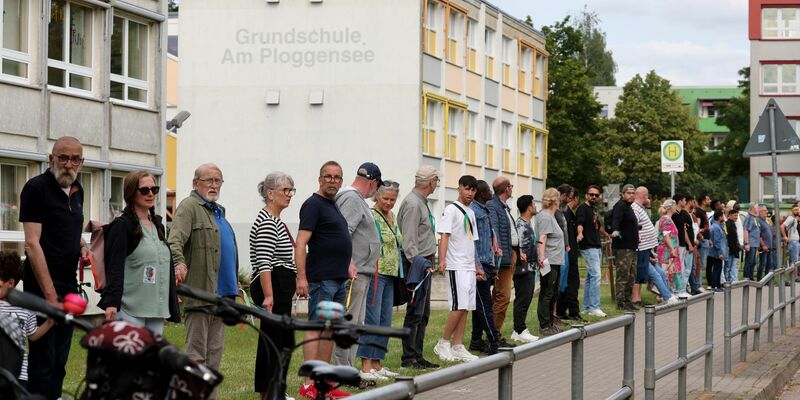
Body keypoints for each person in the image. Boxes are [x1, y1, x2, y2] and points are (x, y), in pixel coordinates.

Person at [19, 136, 91, 399]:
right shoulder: (35, 188)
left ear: (81, 162)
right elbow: (32, 243)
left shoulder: (77, 190)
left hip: (68, 284)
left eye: (75, 159)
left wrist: (82, 244)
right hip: (42, 287)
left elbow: (68, 228)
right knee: (43, 361)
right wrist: (50, 296)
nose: (68, 164)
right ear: (52, 159)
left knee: (60, 359)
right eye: (63, 157)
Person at [168, 163, 239, 400]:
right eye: (209, 180)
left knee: (214, 358)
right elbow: (174, 240)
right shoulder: (189, 207)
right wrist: (179, 262)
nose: (214, 185)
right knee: (197, 357)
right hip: (200, 294)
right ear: (195, 182)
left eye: (218, 180)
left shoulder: (218, 211)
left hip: (222, 297)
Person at [295, 161, 353, 399]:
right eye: (328, 176)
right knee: (316, 328)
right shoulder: (312, 205)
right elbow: (301, 243)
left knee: (329, 331)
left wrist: (348, 263)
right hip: (321, 279)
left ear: (341, 180)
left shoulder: (333, 204)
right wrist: (302, 277)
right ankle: (309, 384)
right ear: (320, 179)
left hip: (339, 279)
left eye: (337, 177)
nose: (332, 180)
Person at [100, 170, 180, 334]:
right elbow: (114, 267)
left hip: (156, 308)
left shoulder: (158, 225)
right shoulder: (121, 226)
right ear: (131, 193)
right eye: (144, 190)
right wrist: (112, 302)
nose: (150, 194)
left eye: (154, 189)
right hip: (129, 308)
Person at [249, 172, 298, 399]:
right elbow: (264, 261)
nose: (289, 195)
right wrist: (269, 295)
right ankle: (270, 393)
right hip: (274, 285)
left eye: (291, 190)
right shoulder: (268, 222)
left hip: (281, 283)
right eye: (285, 190)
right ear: (270, 193)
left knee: (282, 341)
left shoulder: (275, 220)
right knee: (272, 341)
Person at [333, 163, 384, 368]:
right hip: (355, 271)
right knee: (349, 322)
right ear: (372, 182)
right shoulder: (352, 199)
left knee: (356, 323)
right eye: (377, 187)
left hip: (361, 270)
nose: (376, 192)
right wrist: (349, 262)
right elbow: (344, 232)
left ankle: (349, 368)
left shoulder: (355, 198)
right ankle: (343, 368)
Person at [434, 175, 483, 362]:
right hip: (455, 265)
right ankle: (443, 343)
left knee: (466, 307)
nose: (469, 193)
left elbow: (470, 241)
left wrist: (476, 265)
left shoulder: (471, 213)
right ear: (459, 188)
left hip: (468, 266)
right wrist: (443, 260)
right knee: (458, 306)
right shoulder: (451, 210)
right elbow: (444, 236)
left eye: (472, 190)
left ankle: (458, 345)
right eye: (466, 189)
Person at [357, 180, 402, 381]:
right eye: (385, 198)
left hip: (392, 273)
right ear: (377, 196)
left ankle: (377, 363)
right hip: (376, 272)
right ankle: (365, 366)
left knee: (385, 321)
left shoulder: (392, 216)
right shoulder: (371, 215)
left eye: (392, 199)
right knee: (372, 319)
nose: (389, 203)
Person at [397, 165, 440, 370]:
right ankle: (408, 358)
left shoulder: (421, 202)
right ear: (431, 182)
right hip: (418, 264)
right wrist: (418, 265)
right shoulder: (413, 204)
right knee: (415, 312)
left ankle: (417, 355)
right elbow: (409, 240)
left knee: (423, 313)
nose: (436, 185)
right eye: (436, 181)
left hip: (425, 263)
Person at [0, 251, 53, 387]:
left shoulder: (26, 307)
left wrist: (50, 322)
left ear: (10, 283)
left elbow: (32, 335)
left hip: (19, 375)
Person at [468, 180, 508, 354]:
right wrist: (478, 266)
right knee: (484, 304)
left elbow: (490, 237)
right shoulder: (474, 212)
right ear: (481, 193)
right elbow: (473, 242)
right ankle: (493, 341)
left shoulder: (483, 210)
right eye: (488, 191)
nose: (492, 193)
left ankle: (476, 341)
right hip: (480, 264)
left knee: (480, 306)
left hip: (488, 262)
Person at [487, 177, 518, 338]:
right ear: (506, 189)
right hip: (502, 258)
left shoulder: (504, 207)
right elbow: (494, 230)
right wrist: (498, 255)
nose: (512, 189)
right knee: (503, 296)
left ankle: (492, 331)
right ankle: (494, 334)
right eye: (511, 186)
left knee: (498, 296)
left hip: (510, 254)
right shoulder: (493, 206)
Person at [536, 188, 565, 336]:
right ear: (554, 200)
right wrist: (541, 257)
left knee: (552, 293)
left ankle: (550, 322)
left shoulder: (550, 216)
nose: (560, 202)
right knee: (547, 292)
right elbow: (542, 237)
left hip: (555, 260)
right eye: (558, 199)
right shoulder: (546, 217)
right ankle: (544, 324)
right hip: (549, 261)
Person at [512, 195, 540, 341]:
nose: (535, 206)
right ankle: (519, 330)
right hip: (524, 269)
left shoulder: (527, 224)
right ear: (529, 207)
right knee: (523, 299)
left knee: (526, 298)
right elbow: (519, 248)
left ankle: (518, 329)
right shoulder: (521, 226)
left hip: (531, 267)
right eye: (534, 204)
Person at [576, 185, 607, 317]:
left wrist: (607, 235)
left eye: (596, 195)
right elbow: (580, 223)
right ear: (586, 195)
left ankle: (587, 307)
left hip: (596, 246)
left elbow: (597, 225)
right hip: (588, 246)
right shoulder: (583, 208)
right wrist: (580, 234)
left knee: (590, 277)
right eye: (591, 194)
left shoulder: (593, 209)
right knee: (596, 276)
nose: (594, 197)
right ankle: (595, 307)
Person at [610, 184, 639, 311]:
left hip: (631, 247)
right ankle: (621, 302)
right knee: (623, 275)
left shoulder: (629, 207)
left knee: (632, 276)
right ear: (622, 194)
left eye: (633, 193)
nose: (631, 195)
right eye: (629, 193)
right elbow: (615, 219)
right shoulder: (620, 206)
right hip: (623, 248)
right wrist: (615, 229)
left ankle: (628, 301)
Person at [556, 185, 582, 321]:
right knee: (570, 283)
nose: (570, 200)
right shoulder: (563, 212)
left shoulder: (566, 212)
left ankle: (563, 311)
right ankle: (571, 311)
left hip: (569, 252)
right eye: (569, 197)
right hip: (567, 253)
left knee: (569, 283)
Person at [632, 187, 658, 307]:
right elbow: (635, 224)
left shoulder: (641, 207)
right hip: (640, 246)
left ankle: (638, 297)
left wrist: (648, 207)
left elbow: (648, 220)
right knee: (639, 273)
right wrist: (637, 237)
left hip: (646, 246)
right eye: (647, 196)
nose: (648, 198)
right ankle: (635, 298)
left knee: (642, 273)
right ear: (643, 195)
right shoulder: (635, 208)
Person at [657, 200, 685, 297]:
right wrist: (672, 249)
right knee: (666, 271)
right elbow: (666, 236)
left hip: (670, 249)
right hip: (667, 250)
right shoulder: (666, 220)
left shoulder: (668, 219)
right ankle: (667, 293)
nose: (676, 207)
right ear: (670, 207)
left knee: (671, 271)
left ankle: (672, 291)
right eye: (674, 205)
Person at [672, 193, 699, 295]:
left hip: (684, 244)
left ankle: (682, 289)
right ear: (679, 201)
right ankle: (678, 290)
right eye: (684, 200)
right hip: (680, 244)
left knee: (684, 268)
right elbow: (682, 231)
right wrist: (689, 244)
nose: (685, 202)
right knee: (681, 268)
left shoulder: (681, 214)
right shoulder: (677, 215)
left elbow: (684, 230)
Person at [695, 195, 712, 289]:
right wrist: (700, 236)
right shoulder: (699, 212)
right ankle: (698, 285)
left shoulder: (703, 212)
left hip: (706, 240)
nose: (710, 201)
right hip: (702, 241)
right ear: (703, 201)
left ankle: (698, 284)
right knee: (700, 264)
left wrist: (709, 239)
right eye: (708, 199)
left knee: (701, 264)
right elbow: (697, 226)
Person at [708, 211, 728, 292]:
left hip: (718, 251)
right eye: (722, 216)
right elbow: (717, 241)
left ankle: (718, 285)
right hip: (717, 252)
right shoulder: (716, 227)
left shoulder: (718, 226)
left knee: (718, 269)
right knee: (717, 269)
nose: (724, 218)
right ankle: (715, 286)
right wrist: (720, 253)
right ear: (719, 217)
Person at [742, 203, 762, 281]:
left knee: (753, 261)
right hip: (751, 243)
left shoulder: (754, 218)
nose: (758, 209)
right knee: (749, 261)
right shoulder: (749, 217)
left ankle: (750, 276)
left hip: (755, 244)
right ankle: (746, 277)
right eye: (757, 207)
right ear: (753, 208)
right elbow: (746, 230)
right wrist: (747, 243)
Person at [724, 210, 741, 285]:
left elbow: (735, 236)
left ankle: (733, 280)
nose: (736, 217)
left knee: (734, 265)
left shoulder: (733, 224)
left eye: (737, 216)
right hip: (729, 248)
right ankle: (727, 280)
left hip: (735, 248)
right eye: (735, 215)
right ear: (729, 215)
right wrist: (727, 246)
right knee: (728, 266)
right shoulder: (727, 224)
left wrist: (738, 244)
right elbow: (727, 236)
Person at [757, 205, 773, 281]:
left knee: (768, 264)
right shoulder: (758, 220)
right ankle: (759, 279)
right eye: (765, 210)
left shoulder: (765, 220)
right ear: (760, 211)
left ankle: (766, 280)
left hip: (769, 246)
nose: (767, 212)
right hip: (763, 246)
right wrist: (763, 245)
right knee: (763, 263)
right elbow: (759, 234)